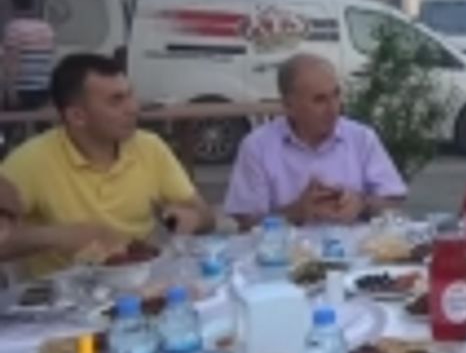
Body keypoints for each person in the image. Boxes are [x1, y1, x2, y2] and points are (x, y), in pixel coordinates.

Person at [0, 54, 214, 274]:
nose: (133, 108)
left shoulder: (150, 147)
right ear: (77, 116)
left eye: (130, 95)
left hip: (139, 281)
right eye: (116, 100)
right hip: (65, 290)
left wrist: (195, 219)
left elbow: (207, 217)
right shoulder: (31, 160)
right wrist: (59, 236)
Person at [223, 53, 407, 230]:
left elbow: (394, 198)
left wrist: (362, 204)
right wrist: (295, 212)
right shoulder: (258, 146)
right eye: (320, 100)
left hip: (358, 247)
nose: (333, 108)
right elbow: (246, 220)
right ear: (289, 106)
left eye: (336, 95)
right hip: (287, 249)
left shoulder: (361, 139)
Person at [3, 0, 56, 110]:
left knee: (10, 120)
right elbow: (49, 60)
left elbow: (12, 61)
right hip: (43, 89)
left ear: (14, 5)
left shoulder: (14, 27)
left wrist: (11, 91)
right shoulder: (46, 28)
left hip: (22, 90)